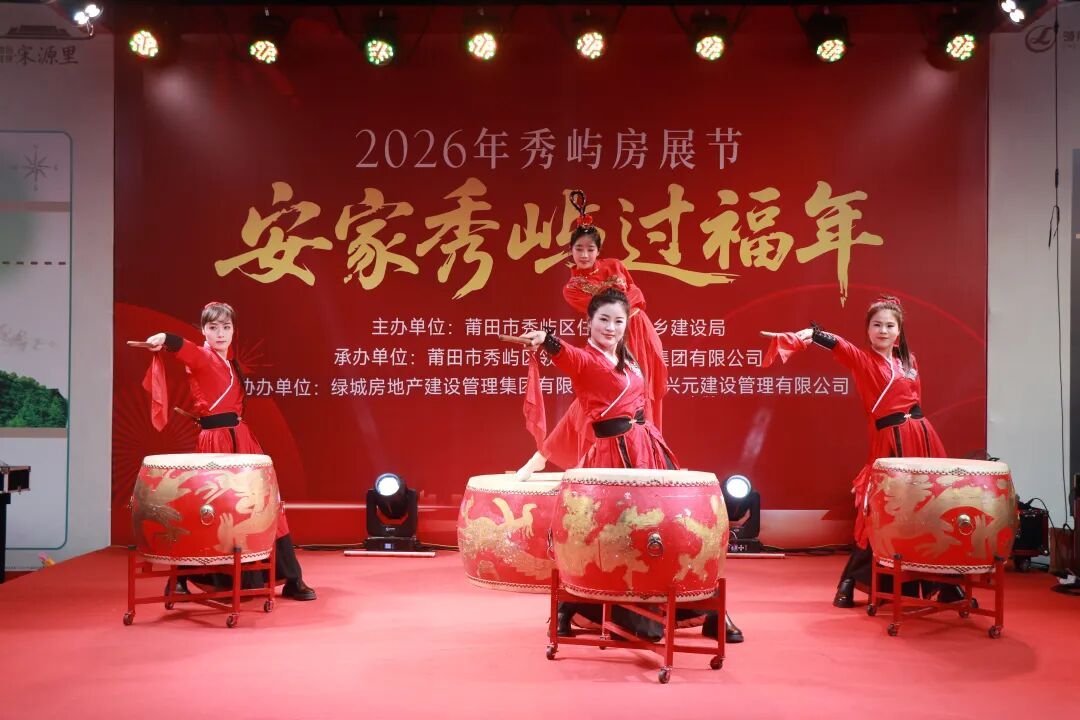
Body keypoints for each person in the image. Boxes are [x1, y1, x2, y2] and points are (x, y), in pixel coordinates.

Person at [523, 289, 742, 643]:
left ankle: (707, 606)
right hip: (612, 456)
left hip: (646, 448)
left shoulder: (627, 359)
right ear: (589, 322)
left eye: (618, 321)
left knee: (669, 528)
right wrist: (548, 341)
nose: (610, 328)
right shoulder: (585, 359)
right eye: (603, 320)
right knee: (614, 536)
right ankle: (574, 607)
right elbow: (567, 355)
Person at [761, 295, 962, 607]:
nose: (883, 331)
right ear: (868, 330)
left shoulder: (909, 362)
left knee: (929, 509)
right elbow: (839, 345)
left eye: (889, 325)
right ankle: (850, 580)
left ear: (899, 331)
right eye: (877, 325)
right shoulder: (863, 360)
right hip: (890, 441)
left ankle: (944, 583)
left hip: (922, 438)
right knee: (882, 513)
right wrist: (810, 335)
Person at [142, 301, 316, 601]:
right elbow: (183, 348)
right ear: (204, 330)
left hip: (242, 439)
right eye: (213, 327)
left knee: (267, 503)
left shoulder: (230, 362)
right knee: (209, 509)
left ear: (234, 330)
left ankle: (291, 577)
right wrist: (165, 338)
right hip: (215, 442)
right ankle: (180, 579)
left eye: (226, 327)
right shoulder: (202, 357)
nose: (220, 333)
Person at [516, 189, 668, 478]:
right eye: (579, 249)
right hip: (618, 337)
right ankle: (545, 454)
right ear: (571, 251)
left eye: (590, 249)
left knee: (640, 396)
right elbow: (605, 310)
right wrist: (547, 339)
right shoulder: (572, 288)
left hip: (641, 331)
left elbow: (637, 295)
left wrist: (625, 307)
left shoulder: (615, 266)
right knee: (598, 398)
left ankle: (650, 458)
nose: (584, 254)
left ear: (598, 251)